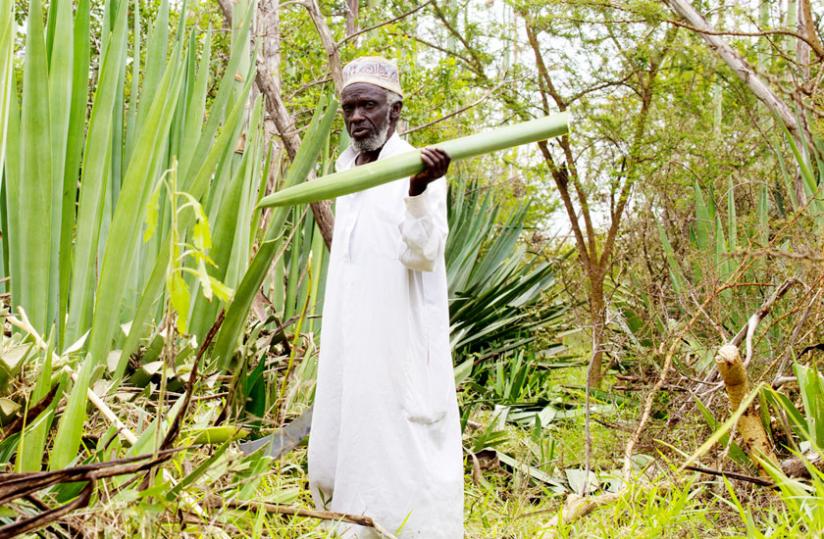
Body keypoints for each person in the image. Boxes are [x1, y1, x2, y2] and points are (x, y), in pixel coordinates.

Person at [308, 56, 463, 538]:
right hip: (351, 341)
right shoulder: (344, 171)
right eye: (349, 107)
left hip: (400, 343)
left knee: (404, 456)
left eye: (368, 106)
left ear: (394, 112)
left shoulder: (416, 166)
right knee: (350, 442)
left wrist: (417, 190)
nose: (357, 118)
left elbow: (424, 252)